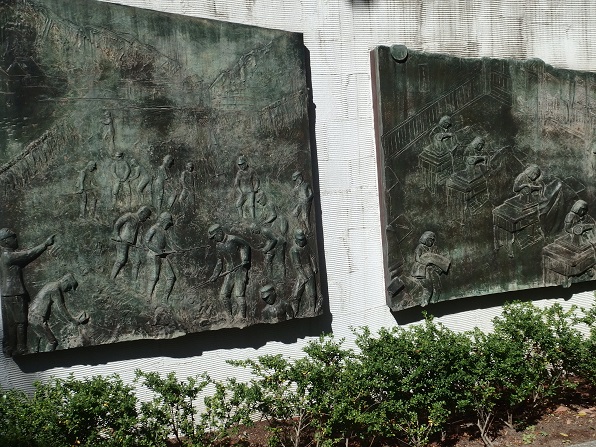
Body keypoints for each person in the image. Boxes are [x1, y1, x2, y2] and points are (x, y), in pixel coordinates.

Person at [0, 229, 54, 356]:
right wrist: (45, 244)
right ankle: (21, 347)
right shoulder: (8, 256)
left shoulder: (4, 255)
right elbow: (28, 254)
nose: (16, 239)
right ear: (6, 241)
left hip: (7, 293)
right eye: (13, 237)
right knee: (20, 321)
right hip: (15, 292)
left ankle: (11, 347)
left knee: (11, 323)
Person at [28, 273, 88, 352]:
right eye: (69, 287)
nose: (68, 290)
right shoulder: (55, 289)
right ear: (65, 281)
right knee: (52, 342)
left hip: (32, 315)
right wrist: (73, 321)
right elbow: (60, 308)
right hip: (37, 318)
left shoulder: (51, 285)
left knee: (38, 338)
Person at [208, 224, 251, 319]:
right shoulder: (218, 246)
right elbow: (220, 262)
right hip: (229, 271)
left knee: (239, 294)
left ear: (219, 232)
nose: (214, 239)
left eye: (214, 237)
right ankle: (230, 317)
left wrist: (245, 258)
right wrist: (215, 275)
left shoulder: (233, 239)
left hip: (240, 269)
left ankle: (243, 317)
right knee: (224, 295)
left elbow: (245, 245)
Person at [410, 231, 451, 306]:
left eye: (433, 241)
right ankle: (424, 303)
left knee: (437, 287)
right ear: (426, 239)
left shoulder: (429, 249)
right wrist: (426, 262)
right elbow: (417, 258)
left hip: (429, 270)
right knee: (428, 288)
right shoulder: (420, 247)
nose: (432, 242)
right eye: (431, 240)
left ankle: (434, 301)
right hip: (422, 271)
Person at [110, 206, 152, 280]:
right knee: (121, 260)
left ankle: (134, 281)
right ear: (141, 212)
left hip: (132, 244)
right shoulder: (129, 216)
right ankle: (112, 278)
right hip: (123, 241)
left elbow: (139, 235)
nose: (145, 219)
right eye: (145, 216)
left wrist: (140, 245)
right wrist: (116, 235)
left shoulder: (140, 223)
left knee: (136, 261)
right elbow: (118, 223)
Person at [145, 212, 177, 302]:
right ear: (163, 221)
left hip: (162, 255)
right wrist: (157, 250)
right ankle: (148, 297)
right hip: (153, 255)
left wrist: (172, 251)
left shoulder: (163, 231)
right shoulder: (154, 228)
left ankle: (164, 299)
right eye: (168, 223)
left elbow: (164, 245)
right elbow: (146, 241)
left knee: (171, 276)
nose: (168, 226)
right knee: (154, 276)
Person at [289, 229, 317, 317]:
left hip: (309, 270)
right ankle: (295, 312)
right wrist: (303, 276)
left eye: (302, 239)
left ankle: (312, 310)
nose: (301, 241)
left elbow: (312, 256)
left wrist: (314, 266)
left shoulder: (306, 246)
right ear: (295, 239)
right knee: (296, 294)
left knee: (311, 292)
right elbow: (297, 265)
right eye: (299, 240)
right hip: (301, 273)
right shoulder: (294, 250)